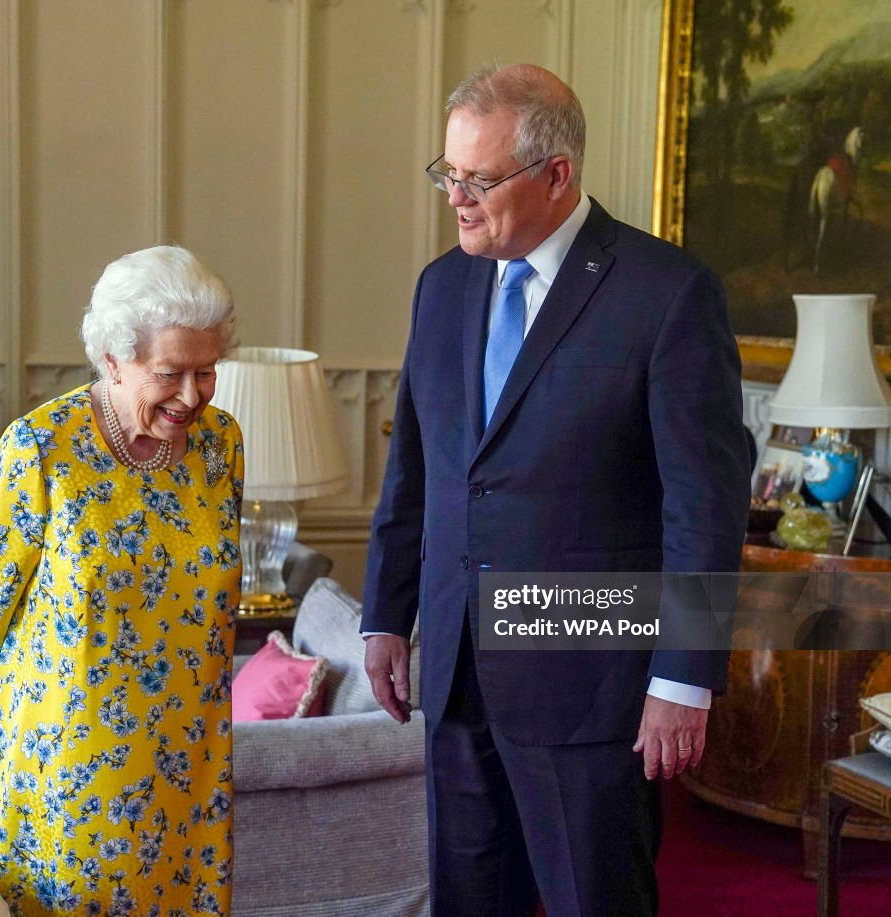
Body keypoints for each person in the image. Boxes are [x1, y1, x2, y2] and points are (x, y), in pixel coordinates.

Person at [362, 64, 750, 916]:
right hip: (458, 669)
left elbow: (705, 505)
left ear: (557, 175)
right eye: (448, 174)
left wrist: (684, 679)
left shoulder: (669, 294)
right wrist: (387, 614)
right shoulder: (442, 287)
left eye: (479, 180)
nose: (455, 199)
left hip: (589, 681)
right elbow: (418, 470)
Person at [0, 246, 243, 917]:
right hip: (64, 767)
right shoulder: (40, 449)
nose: (192, 396)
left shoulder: (220, 445)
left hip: (186, 766)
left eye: (207, 372)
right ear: (112, 359)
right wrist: (43, 717)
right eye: (169, 373)